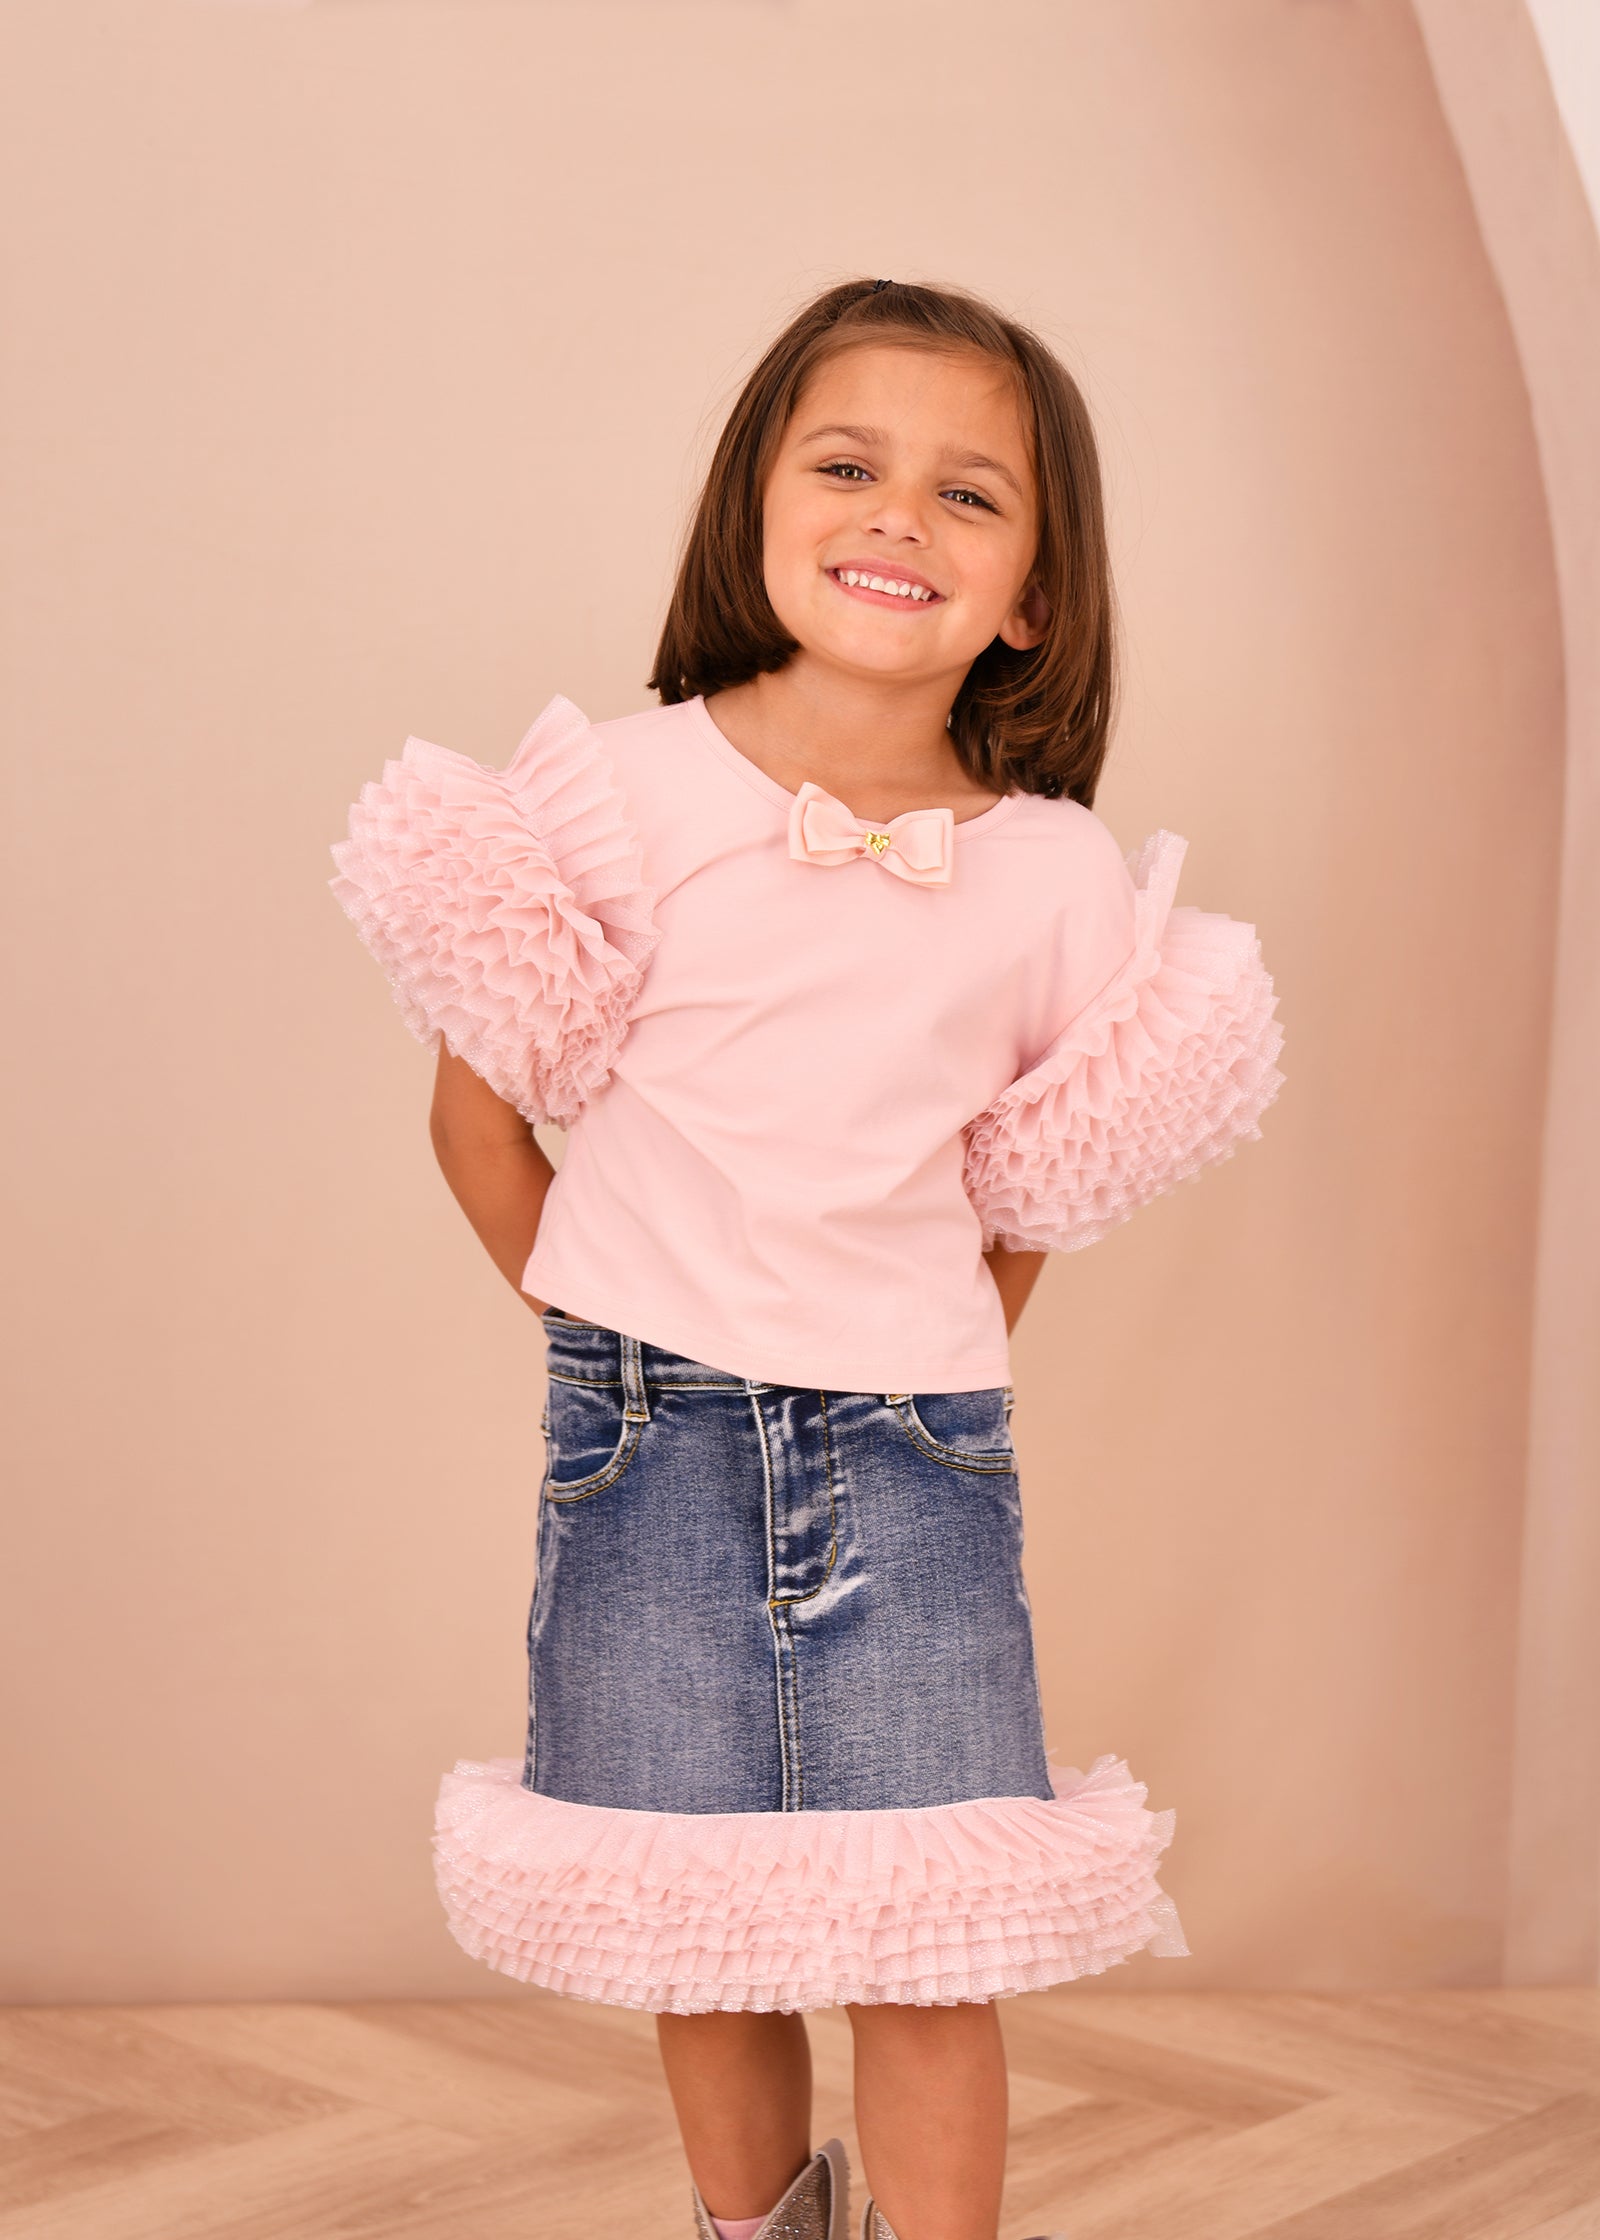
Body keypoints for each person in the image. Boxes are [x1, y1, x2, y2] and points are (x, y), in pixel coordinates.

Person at [329, 276, 1285, 2240]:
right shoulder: (621, 790)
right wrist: (626, 1328)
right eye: (847, 465)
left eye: (968, 495)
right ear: (752, 507)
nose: (896, 517)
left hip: (914, 1458)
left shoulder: (1051, 873)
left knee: (926, 1929)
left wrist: (896, 1348)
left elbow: (1026, 1197)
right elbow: (476, 1122)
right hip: (642, 1447)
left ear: (1034, 595)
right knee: (701, 1921)